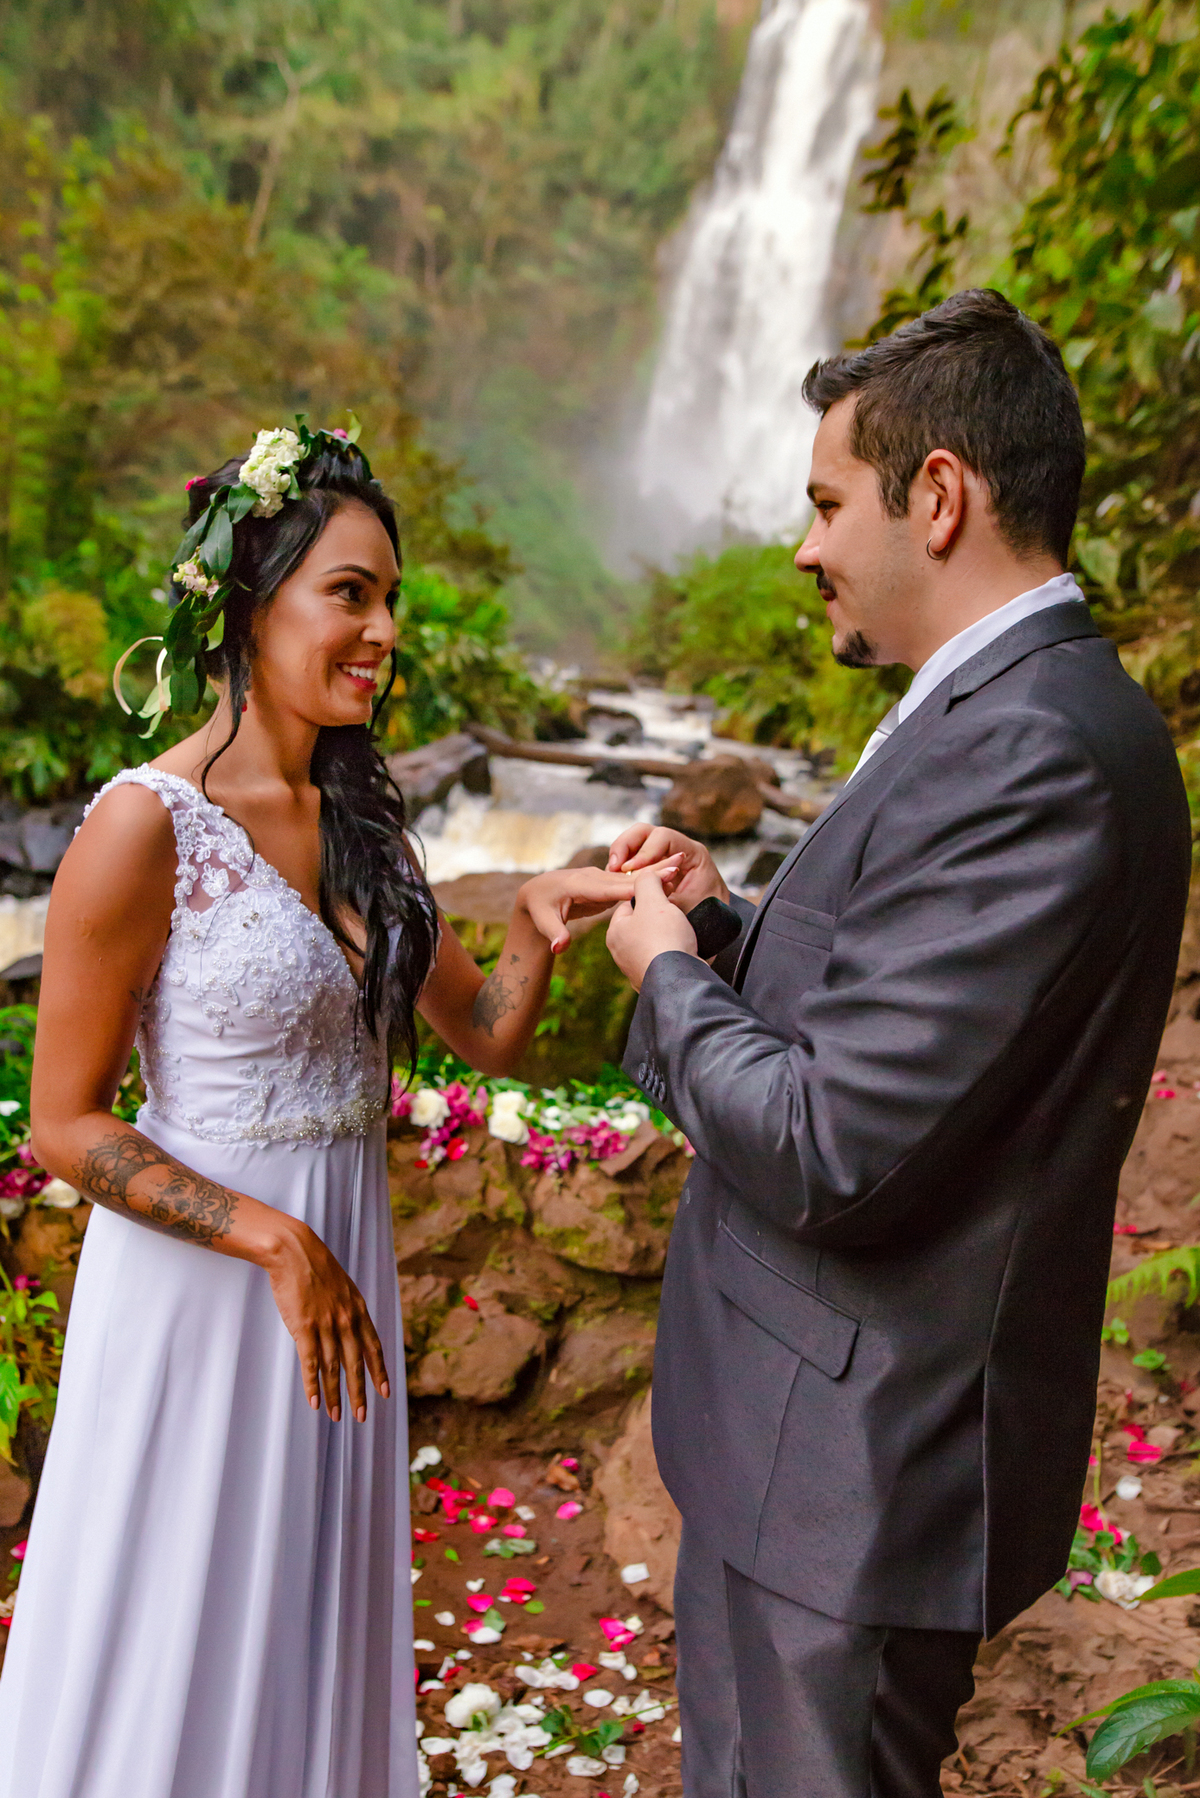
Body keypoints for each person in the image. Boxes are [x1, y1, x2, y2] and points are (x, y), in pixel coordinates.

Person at [0, 424, 680, 1798]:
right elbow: (59, 1123)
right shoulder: (147, 824)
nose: (380, 630)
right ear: (252, 606)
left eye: (390, 600)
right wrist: (264, 1235)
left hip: (336, 1288)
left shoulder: (367, 827)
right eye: (348, 593)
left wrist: (541, 923)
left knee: (303, 1607)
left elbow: (486, 1033)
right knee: (177, 1618)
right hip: (204, 1295)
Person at [604, 289, 1191, 1798]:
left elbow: (834, 1146)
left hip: (857, 1477)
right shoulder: (991, 709)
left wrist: (667, 982)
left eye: (823, 501)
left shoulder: (1035, 745)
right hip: (812, 1450)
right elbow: (905, 1020)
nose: (803, 546)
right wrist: (727, 926)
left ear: (940, 496)